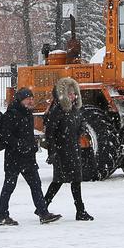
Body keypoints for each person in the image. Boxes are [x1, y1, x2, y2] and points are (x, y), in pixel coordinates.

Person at [0, 87, 61, 227]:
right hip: (14, 158)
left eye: (32, 98)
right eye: (28, 98)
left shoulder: (27, 113)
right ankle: (3, 216)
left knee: (36, 185)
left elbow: (27, 134)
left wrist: (31, 146)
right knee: (9, 187)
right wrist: (20, 145)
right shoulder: (12, 114)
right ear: (21, 100)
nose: (31, 100)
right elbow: (6, 136)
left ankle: (43, 213)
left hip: (27, 158)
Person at [43, 77, 93, 221]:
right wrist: (52, 152)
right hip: (61, 151)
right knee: (58, 181)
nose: (73, 97)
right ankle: (43, 206)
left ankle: (80, 210)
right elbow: (50, 132)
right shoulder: (58, 110)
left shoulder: (75, 109)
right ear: (64, 94)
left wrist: (81, 129)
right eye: (70, 94)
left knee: (76, 180)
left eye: (74, 94)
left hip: (73, 150)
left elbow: (80, 122)